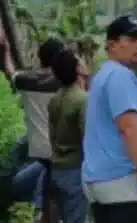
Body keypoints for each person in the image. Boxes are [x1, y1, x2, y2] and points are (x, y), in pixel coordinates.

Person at [83, 15, 137, 223]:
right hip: (125, 186)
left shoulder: (102, 75)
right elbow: (128, 127)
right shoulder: (120, 76)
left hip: (104, 183)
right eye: (132, 39)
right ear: (112, 45)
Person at [4, 36, 65, 218]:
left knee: (25, 182)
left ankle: (33, 208)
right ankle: (40, 209)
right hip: (61, 152)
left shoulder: (28, 80)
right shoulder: (65, 83)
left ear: (40, 58)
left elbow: (10, 72)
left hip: (42, 151)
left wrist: (6, 50)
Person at [48, 48, 89, 223]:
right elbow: (87, 139)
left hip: (57, 169)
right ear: (77, 69)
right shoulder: (82, 100)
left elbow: (51, 135)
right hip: (75, 170)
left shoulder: (54, 99)